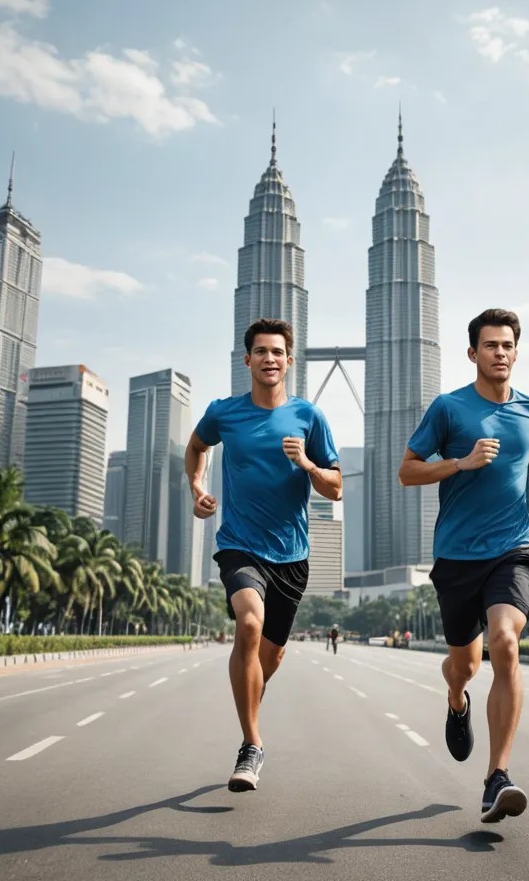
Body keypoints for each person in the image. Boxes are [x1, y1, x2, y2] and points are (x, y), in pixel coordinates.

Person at [398, 308, 529, 824]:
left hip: (512, 547)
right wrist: (461, 463)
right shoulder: (449, 409)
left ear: (516, 351)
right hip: (456, 555)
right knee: (465, 666)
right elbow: (407, 471)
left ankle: (497, 778)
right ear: (473, 353)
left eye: (508, 345)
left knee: (506, 643)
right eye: (491, 345)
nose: (500, 353)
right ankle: (456, 699)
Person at [186, 317, 342, 793]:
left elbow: (335, 488)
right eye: (261, 351)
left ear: (289, 361)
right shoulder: (224, 413)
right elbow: (196, 447)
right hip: (239, 545)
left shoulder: (309, 417)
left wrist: (307, 463)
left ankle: (251, 689)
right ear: (247, 359)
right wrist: (197, 487)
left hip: (292, 556)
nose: (269, 359)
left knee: (268, 658)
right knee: (249, 624)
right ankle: (251, 745)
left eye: (277, 352)